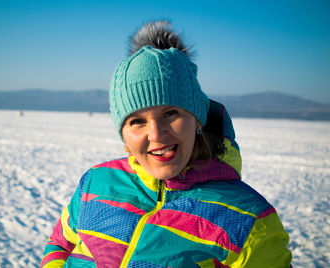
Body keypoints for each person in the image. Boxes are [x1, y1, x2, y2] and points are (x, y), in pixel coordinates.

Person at [41, 20, 292, 268]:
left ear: (197, 119)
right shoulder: (96, 182)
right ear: (124, 133)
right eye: (137, 121)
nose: (156, 135)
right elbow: (61, 245)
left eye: (171, 113)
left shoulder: (247, 217)